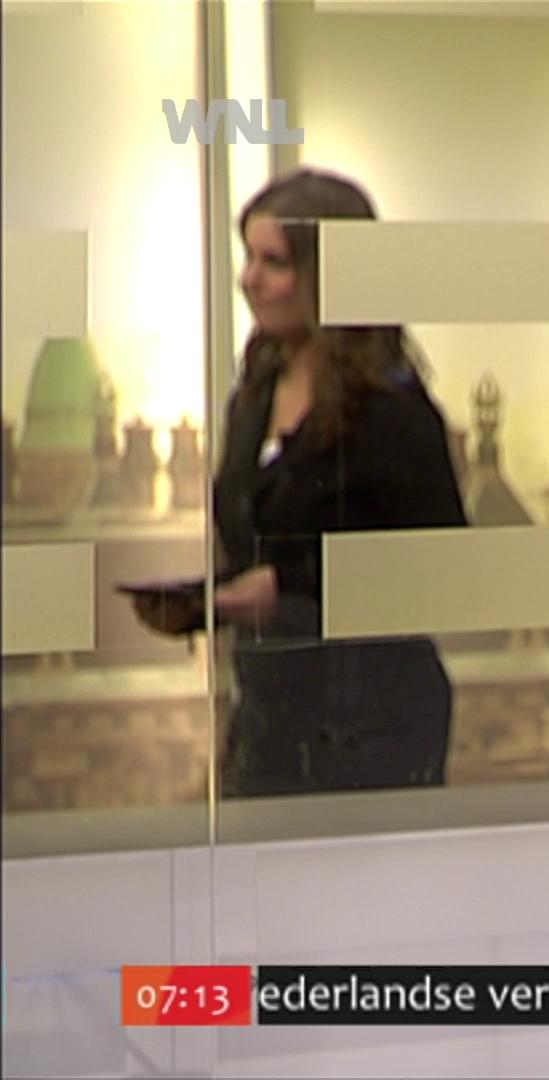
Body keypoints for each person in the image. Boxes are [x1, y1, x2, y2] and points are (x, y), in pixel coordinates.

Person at [132, 168, 468, 798]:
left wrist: (289, 589)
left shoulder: (391, 410)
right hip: (271, 716)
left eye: (274, 263)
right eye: (248, 257)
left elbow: (441, 570)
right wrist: (211, 602)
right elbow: (258, 538)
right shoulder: (256, 393)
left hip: (371, 730)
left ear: (329, 274)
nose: (249, 279)